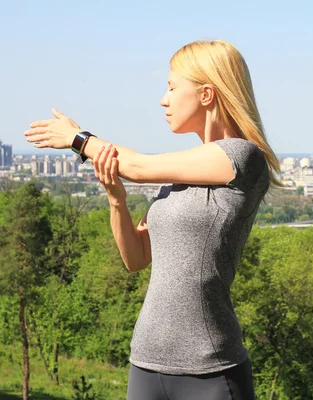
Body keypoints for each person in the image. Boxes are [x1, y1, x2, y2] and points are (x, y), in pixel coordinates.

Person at [24, 39, 281, 400]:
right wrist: (116, 200)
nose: (164, 99)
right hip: (145, 361)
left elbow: (138, 166)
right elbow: (136, 258)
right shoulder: (182, 174)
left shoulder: (243, 158)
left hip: (209, 370)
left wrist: (78, 139)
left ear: (207, 94)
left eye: (173, 87)